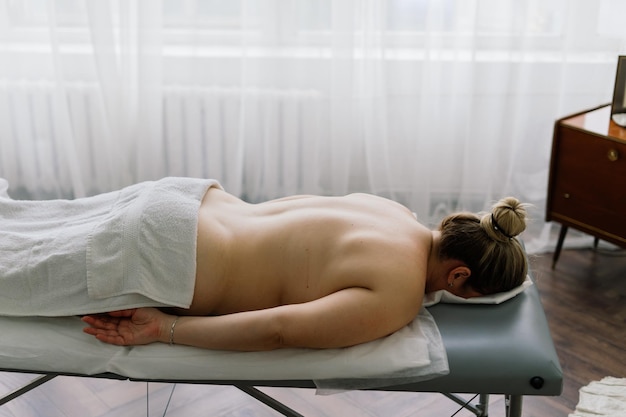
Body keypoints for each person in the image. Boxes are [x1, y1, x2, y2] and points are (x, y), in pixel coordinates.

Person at [79, 181, 529, 352]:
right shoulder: (399, 295)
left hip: (186, 200)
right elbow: (278, 329)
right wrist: (164, 330)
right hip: (170, 256)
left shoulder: (393, 211)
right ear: (459, 276)